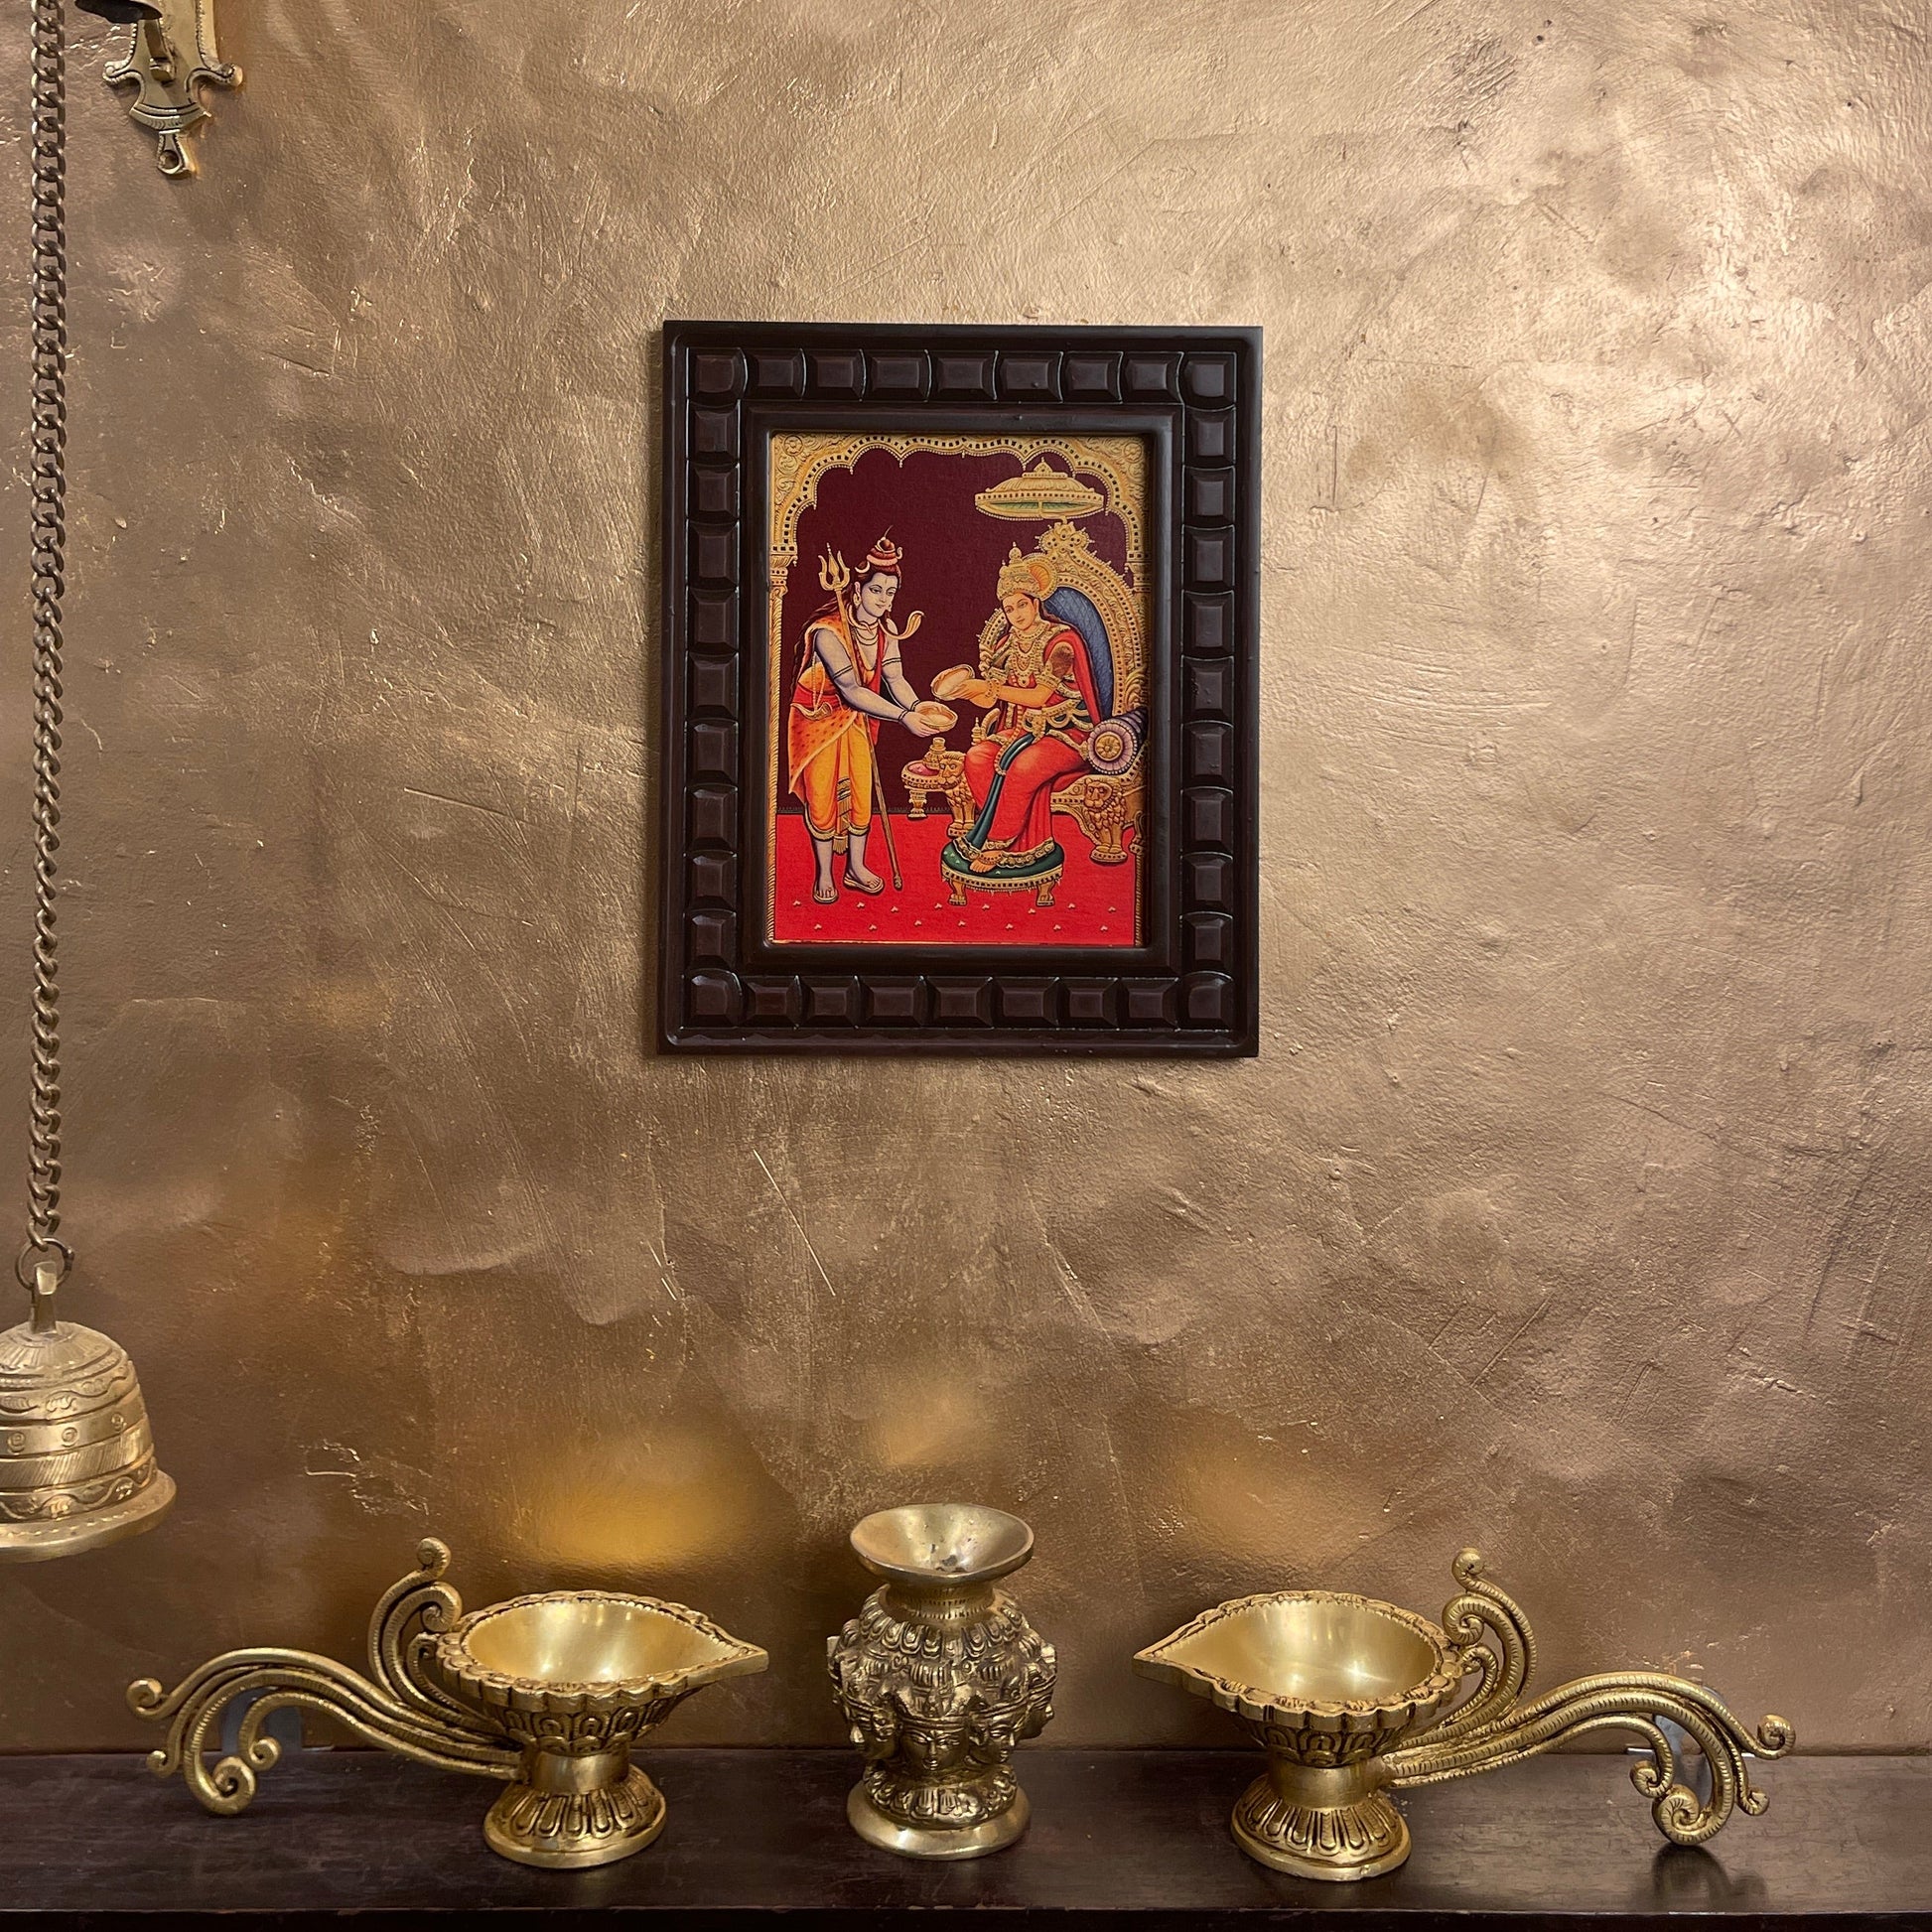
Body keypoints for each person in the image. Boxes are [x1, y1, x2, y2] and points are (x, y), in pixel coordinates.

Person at [785, 535, 940, 903]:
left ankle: (855, 867)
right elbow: (851, 689)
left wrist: (919, 708)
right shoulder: (827, 632)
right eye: (876, 590)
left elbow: (895, 679)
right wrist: (903, 717)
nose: (884, 600)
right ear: (857, 590)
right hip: (818, 720)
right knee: (822, 796)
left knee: (861, 790)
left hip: (856, 718)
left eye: (890, 592)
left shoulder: (886, 631)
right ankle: (824, 872)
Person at [953, 548, 1100, 870]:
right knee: (976, 758)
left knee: (1023, 767)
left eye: (1022, 604)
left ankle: (997, 842)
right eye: (1009, 609)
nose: (1017, 614)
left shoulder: (1062, 643)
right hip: (1022, 731)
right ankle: (1010, 833)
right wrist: (964, 691)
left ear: (1035, 603)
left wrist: (987, 688)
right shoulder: (1006, 645)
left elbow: (1039, 696)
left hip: (1066, 733)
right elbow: (991, 700)